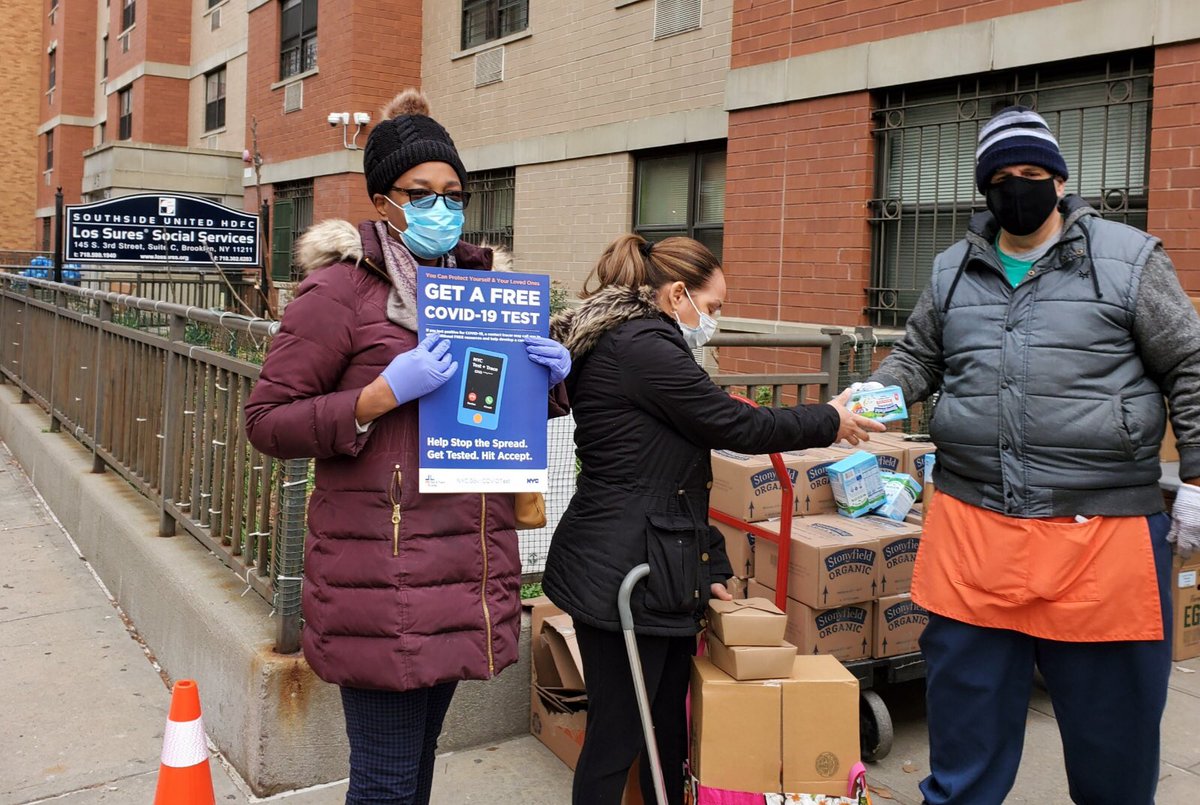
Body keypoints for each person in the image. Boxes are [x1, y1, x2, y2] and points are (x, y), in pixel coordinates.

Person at [862, 105, 1200, 805]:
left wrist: (1199, 476)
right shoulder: (955, 269)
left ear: (1059, 178)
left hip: (1100, 536)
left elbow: (1191, 363)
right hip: (974, 532)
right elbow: (917, 357)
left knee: (1115, 756)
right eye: (1004, 176)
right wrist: (870, 396)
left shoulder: (1128, 259)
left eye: (1034, 173)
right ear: (984, 188)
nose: (1020, 186)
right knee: (966, 752)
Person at [244, 89, 571, 805]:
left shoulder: (480, 286)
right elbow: (268, 419)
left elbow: (488, 415)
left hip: (463, 565)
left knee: (417, 768)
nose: (442, 208)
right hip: (381, 575)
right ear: (383, 199)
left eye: (454, 193)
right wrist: (375, 397)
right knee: (388, 784)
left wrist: (548, 383)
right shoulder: (338, 292)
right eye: (421, 192)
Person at [542, 234, 886, 804]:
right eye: (716, 306)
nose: (715, 319)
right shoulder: (643, 347)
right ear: (678, 293)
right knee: (619, 736)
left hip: (654, 565)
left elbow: (678, 475)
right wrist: (827, 418)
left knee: (667, 728)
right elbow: (735, 426)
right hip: (624, 573)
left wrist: (710, 564)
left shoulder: (634, 341)